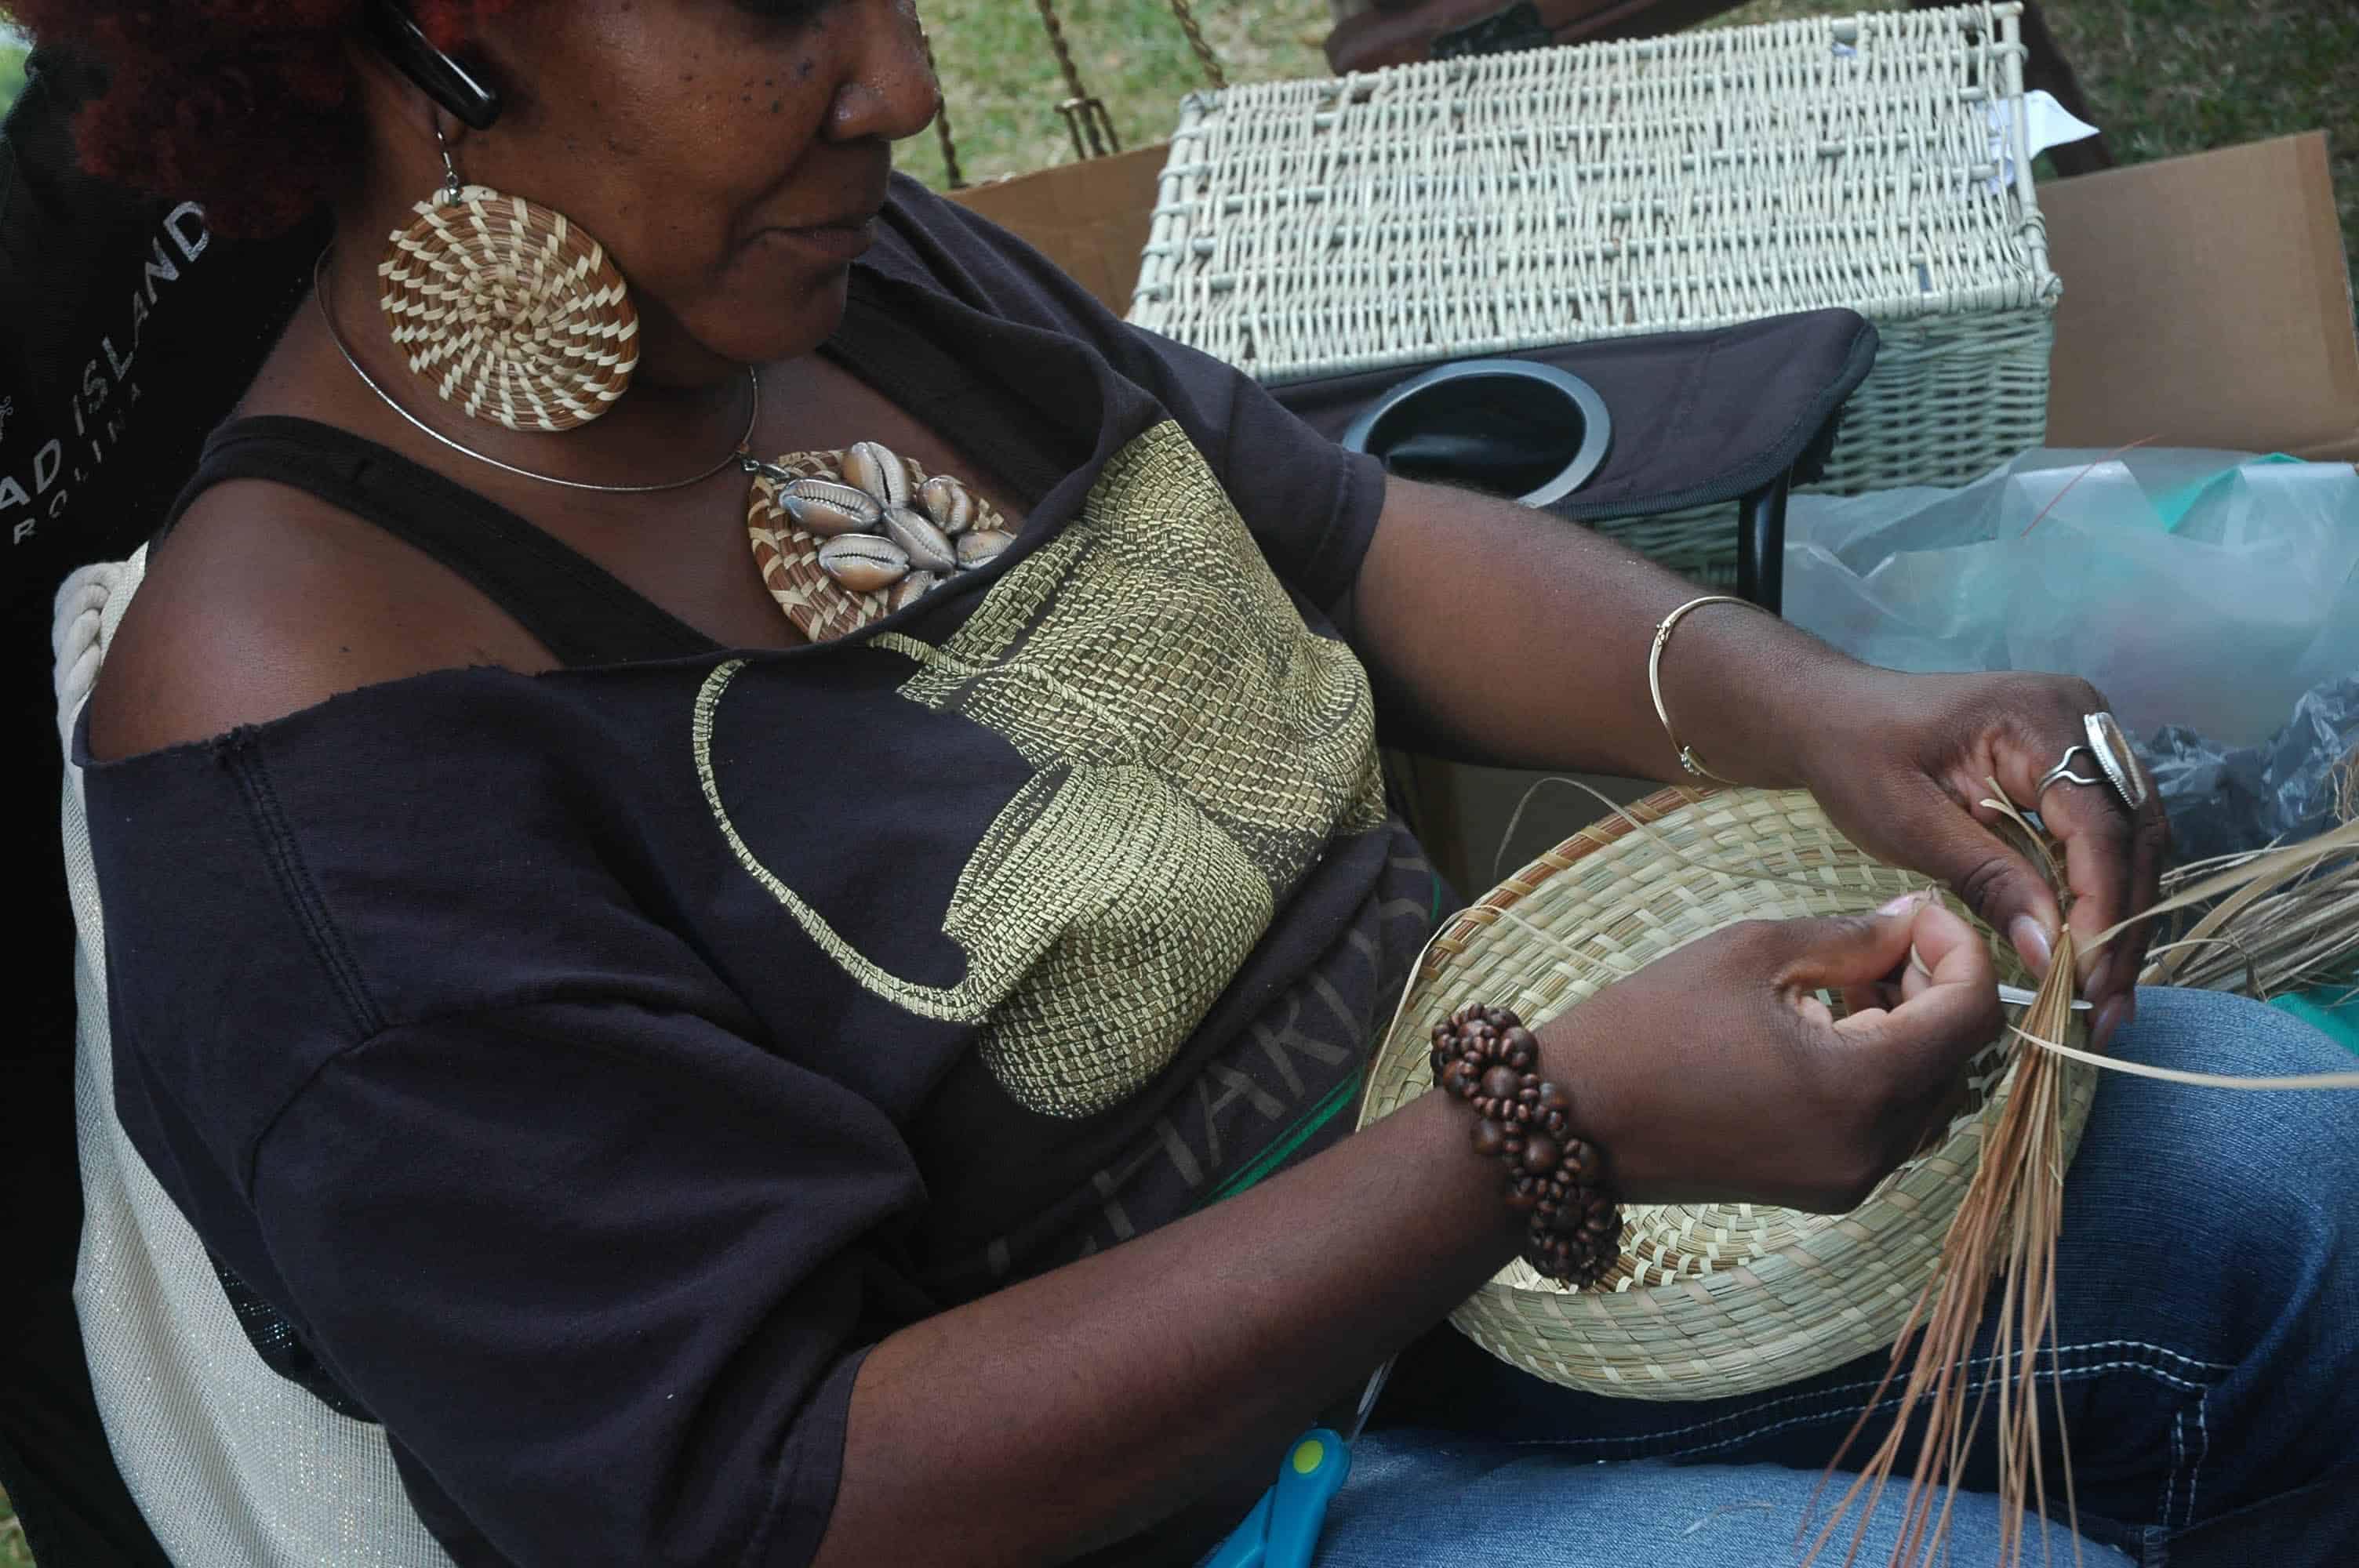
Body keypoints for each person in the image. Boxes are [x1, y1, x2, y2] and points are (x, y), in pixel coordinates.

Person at [22, 0, 2355, 1563]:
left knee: (2312, 1188)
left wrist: (1805, 702)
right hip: (1189, 1513)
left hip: (1487, 1243)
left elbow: (1347, 542)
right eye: (767, 4)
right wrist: (1544, 1135)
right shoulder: (312, 764)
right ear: (415, 46)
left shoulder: (831, 287)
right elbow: (769, 1495)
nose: (904, 80)